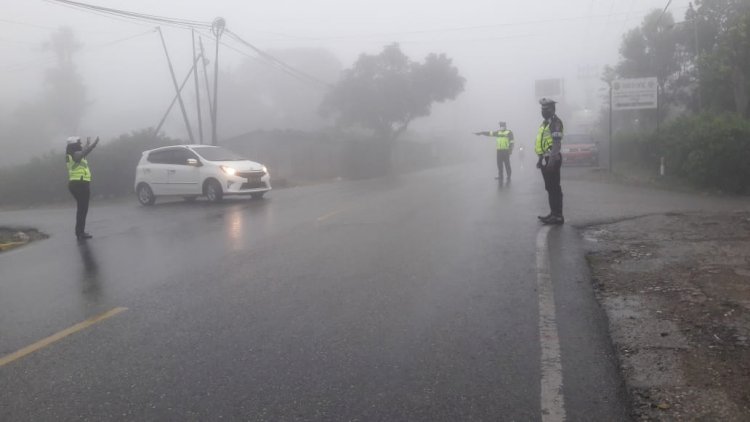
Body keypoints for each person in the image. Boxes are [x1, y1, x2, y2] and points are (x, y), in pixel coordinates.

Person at [535, 98, 564, 225]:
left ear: (552, 109)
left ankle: (558, 216)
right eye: (542, 109)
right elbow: (543, 143)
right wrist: (540, 159)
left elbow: (556, 144)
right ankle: (553, 213)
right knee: (550, 188)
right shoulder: (545, 123)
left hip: (553, 158)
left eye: (546, 109)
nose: (543, 111)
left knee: (555, 188)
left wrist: (551, 161)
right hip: (546, 158)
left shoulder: (555, 123)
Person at [65, 136, 99, 240]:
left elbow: (82, 151)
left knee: (82, 209)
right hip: (79, 184)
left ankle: (79, 232)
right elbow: (83, 153)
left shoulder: (73, 153)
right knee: (82, 210)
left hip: (78, 183)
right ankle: (80, 233)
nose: (80, 144)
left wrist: (87, 144)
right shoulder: (74, 154)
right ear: (74, 145)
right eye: (79, 143)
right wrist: (93, 145)